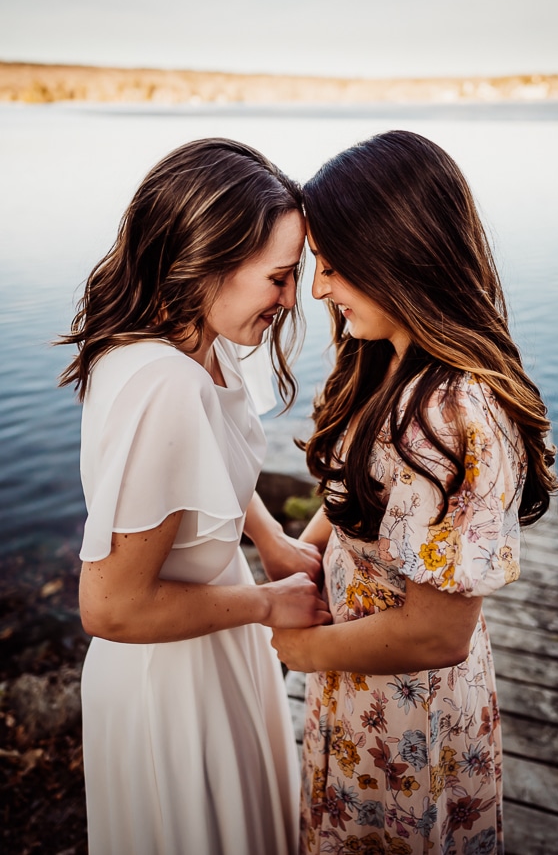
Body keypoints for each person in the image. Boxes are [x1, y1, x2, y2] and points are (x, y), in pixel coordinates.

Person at [271, 130, 558, 854]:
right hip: (360, 684)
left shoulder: (450, 412)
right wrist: (302, 551)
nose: (317, 289)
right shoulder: (389, 366)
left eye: (333, 266)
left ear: (396, 255)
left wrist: (300, 652)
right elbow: (365, 510)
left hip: (402, 715)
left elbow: (437, 631)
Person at [58, 137, 331, 855]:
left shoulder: (191, 344)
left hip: (211, 637)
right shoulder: (164, 383)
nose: (290, 298)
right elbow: (110, 606)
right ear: (206, 262)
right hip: (169, 678)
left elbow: (197, 469)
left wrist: (270, 540)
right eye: (278, 277)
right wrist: (268, 605)